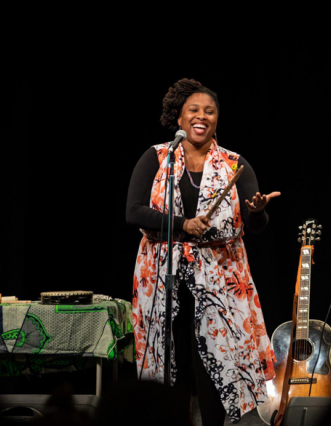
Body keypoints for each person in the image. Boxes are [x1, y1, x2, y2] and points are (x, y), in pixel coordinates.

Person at [126, 78, 280, 424]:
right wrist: (183, 224)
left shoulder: (234, 164)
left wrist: (257, 211)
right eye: (193, 110)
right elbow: (133, 211)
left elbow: (254, 228)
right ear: (179, 119)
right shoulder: (157, 158)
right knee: (170, 360)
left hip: (220, 280)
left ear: (217, 119)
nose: (202, 116)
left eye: (209, 111)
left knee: (213, 363)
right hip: (162, 278)